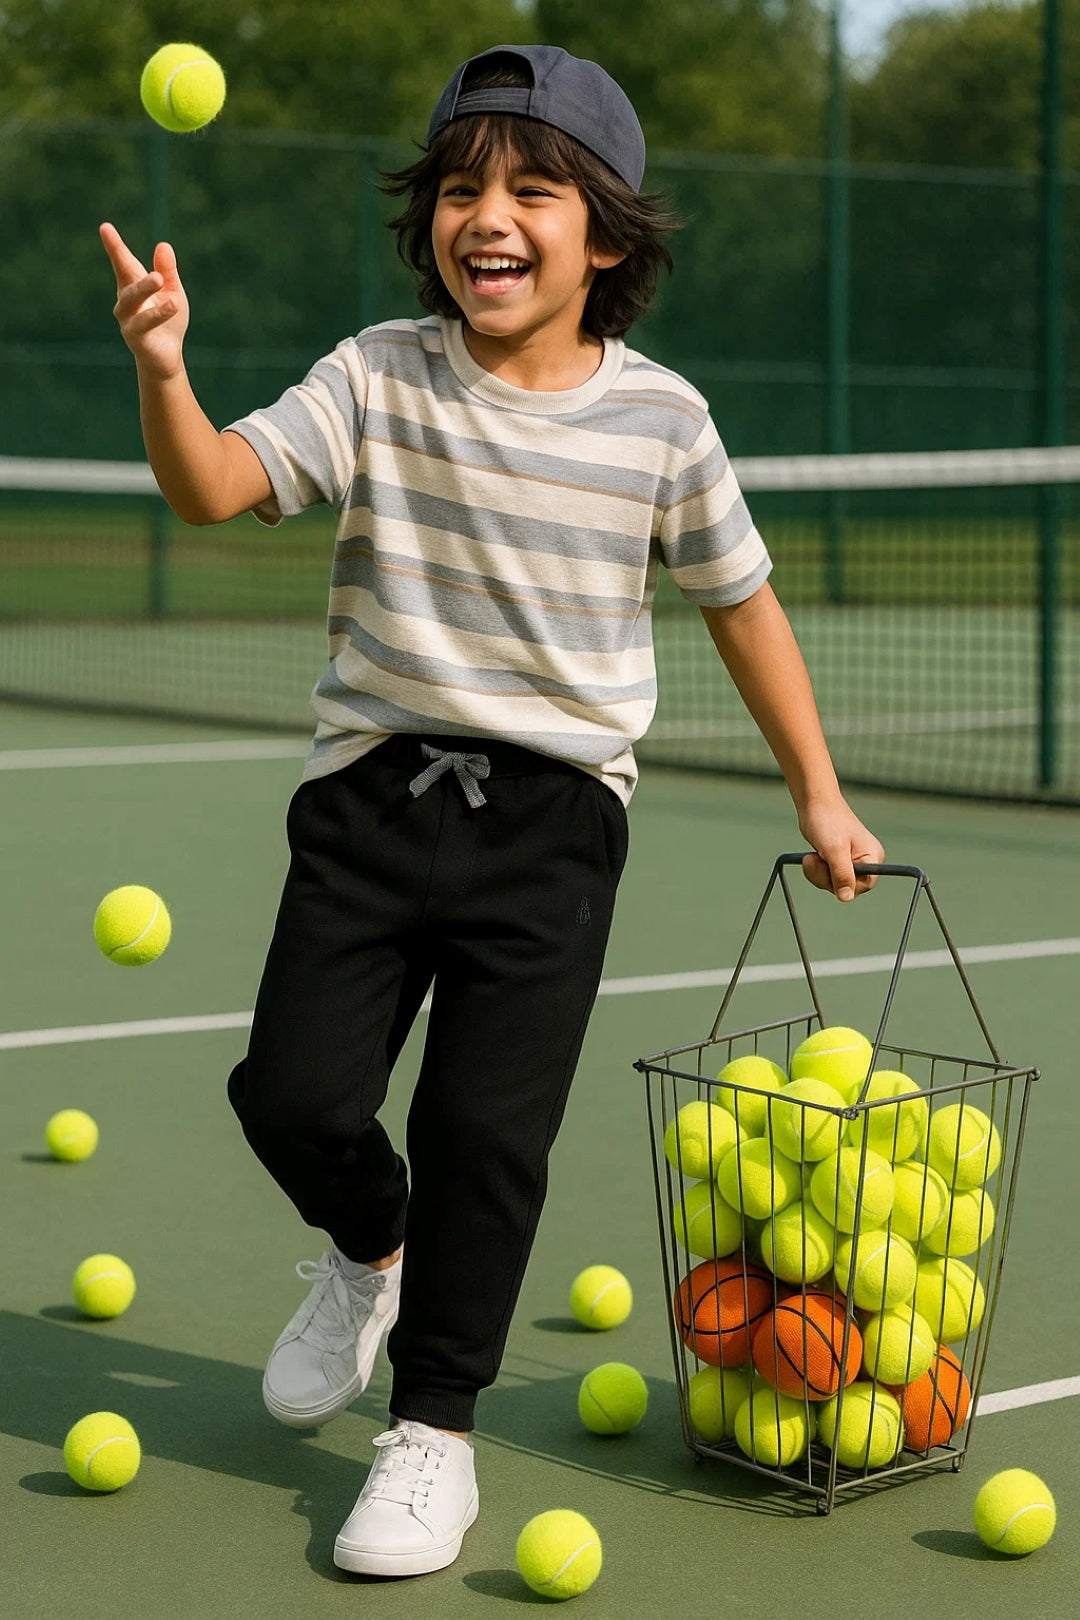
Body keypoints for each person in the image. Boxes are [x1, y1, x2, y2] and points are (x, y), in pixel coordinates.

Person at [100, 42, 884, 1581]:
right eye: (462, 187)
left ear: (606, 231)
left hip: (553, 825)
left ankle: (432, 1435)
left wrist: (821, 792)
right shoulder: (377, 374)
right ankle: (364, 1248)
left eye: (533, 187)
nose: (490, 215)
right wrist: (163, 370)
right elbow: (209, 487)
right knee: (296, 1097)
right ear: (429, 225)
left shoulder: (665, 422)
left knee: (485, 1131)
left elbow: (743, 606)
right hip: (369, 801)